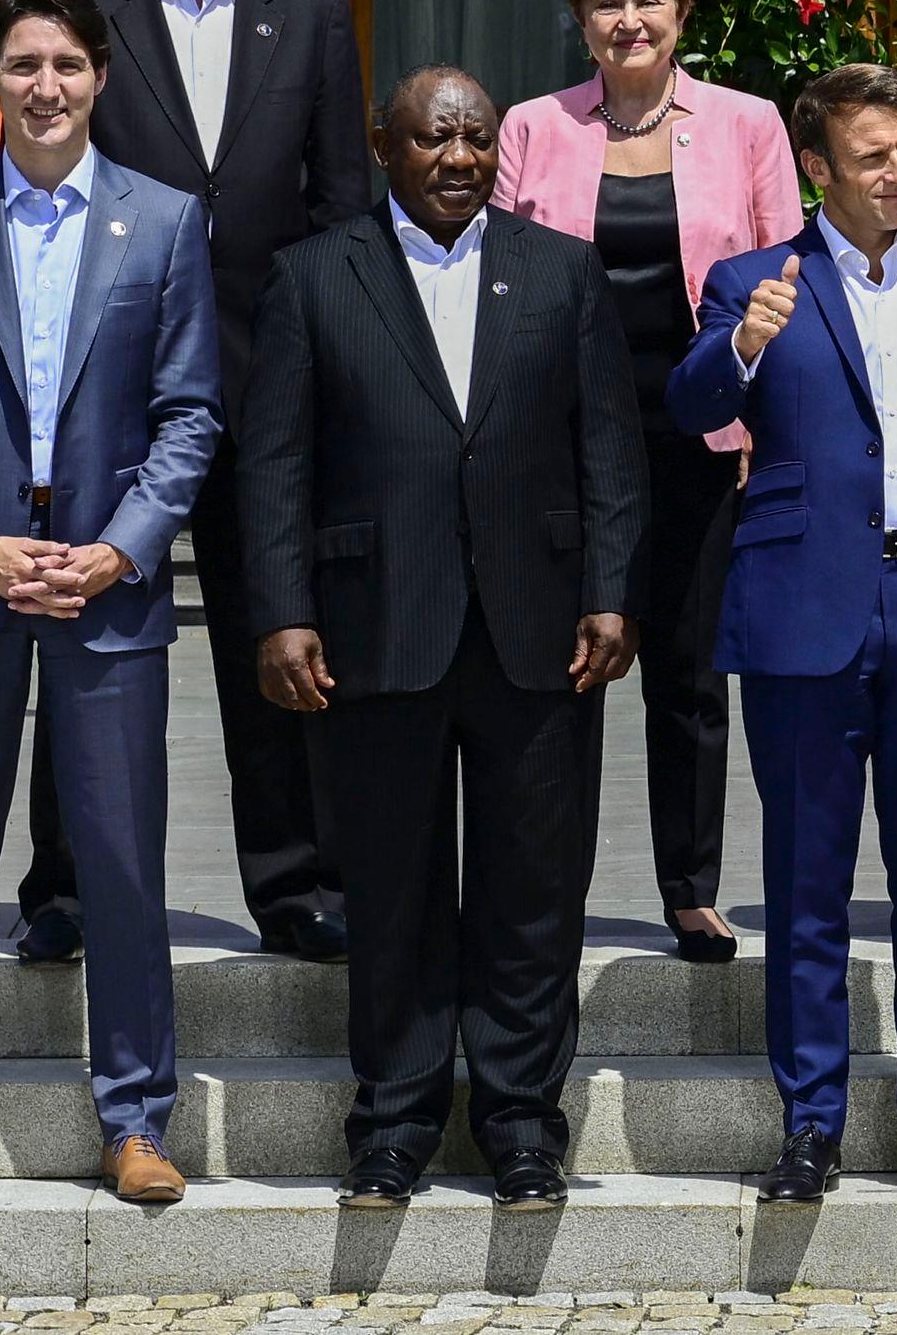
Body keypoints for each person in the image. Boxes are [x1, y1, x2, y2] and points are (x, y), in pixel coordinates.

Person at [229, 67, 647, 1210]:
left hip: (539, 630)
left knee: (531, 890)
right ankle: (395, 1124)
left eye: (474, 137)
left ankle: (521, 1123)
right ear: (383, 146)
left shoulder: (560, 271)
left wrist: (613, 591)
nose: (457, 158)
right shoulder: (314, 277)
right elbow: (273, 464)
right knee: (395, 887)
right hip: (375, 632)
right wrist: (283, 611)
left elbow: (610, 446)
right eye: (432, 139)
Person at [0, 0, 220, 1211]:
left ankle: (134, 1119)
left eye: (67, 63)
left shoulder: (163, 223)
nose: (46, 87)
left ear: (101, 77)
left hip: (105, 585)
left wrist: (119, 549)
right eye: (23, 65)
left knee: (120, 862)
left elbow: (189, 415)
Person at [665, 66, 897, 1205]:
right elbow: (689, 409)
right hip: (806, 616)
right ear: (818, 169)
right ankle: (811, 1126)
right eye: (872, 158)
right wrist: (741, 345)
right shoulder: (752, 278)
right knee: (807, 885)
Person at [41, 0, 374, 966]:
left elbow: (342, 205)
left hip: (271, 381)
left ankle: (299, 887)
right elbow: (50, 194)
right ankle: (65, 890)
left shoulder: (312, 13)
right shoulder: (83, 7)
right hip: (117, 385)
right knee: (85, 633)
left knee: (276, 640)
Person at [492, 0, 810, 965]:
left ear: (681, 11)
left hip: (698, 433)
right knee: (555, 672)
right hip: (562, 444)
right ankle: (538, 888)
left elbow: (783, 278)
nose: (628, 20)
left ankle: (689, 888)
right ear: (580, 19)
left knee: (686, 672)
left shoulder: (746, 124)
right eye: (606, 2)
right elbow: (495, 281)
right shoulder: (533, 127)